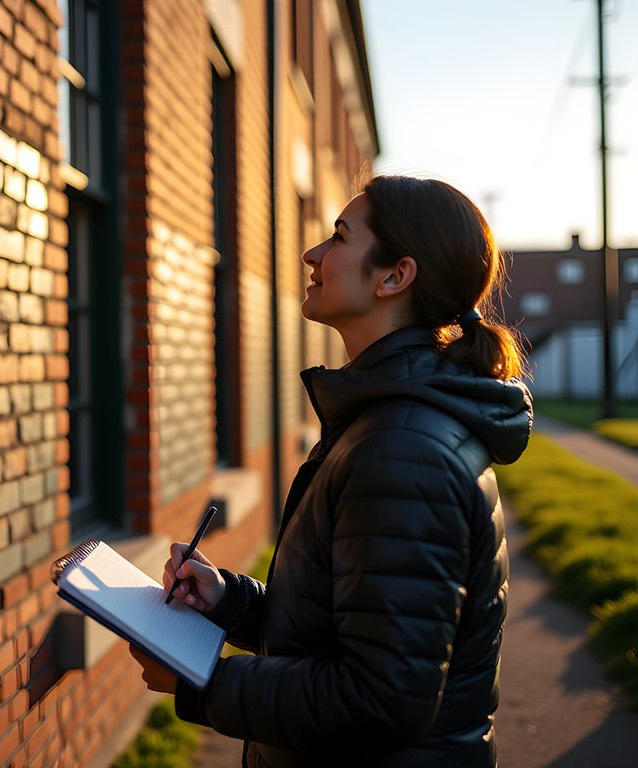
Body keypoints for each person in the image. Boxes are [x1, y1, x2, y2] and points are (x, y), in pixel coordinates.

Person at [129, 174, 534, 767]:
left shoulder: (401, 449)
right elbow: (340, 626)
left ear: (394, 276)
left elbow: (380, 700)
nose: (311, 253)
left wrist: (203, 682)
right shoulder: (383, 422)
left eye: (340, 237)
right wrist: (230, 603)